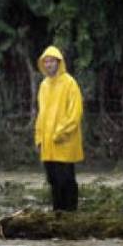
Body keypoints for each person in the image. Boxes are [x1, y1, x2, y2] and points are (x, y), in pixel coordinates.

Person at [35, 46, 84, 212]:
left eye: (51, 61)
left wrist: (62, 132)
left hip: (65, 142)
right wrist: (39, 138)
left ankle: (70, 212)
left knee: (66, 179)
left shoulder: (70, 83)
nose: (48, 65)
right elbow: (41, 115)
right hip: (48, 144)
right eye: (46, 61)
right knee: (53, 180)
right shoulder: (43, 86)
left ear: (59, 62)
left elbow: (75, 113)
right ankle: (57, 212)